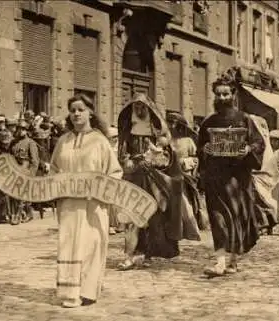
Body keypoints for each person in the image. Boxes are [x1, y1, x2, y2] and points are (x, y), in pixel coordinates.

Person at [50, 94, 120, 308]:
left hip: (94, 203)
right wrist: (56, 186)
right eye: (72, 110)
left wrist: (101, 190)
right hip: (68, 204)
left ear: (90, 112)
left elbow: (115, 171)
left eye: (81, 109)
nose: (76, 114)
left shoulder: (99, 141)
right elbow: (53, 168)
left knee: (91, 244)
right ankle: (70, 291)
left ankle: (89, 290)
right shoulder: (63, 141)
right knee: (69, 245)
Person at [117, 93, 200, 270]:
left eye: (142, 107)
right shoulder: (128, 133)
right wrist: (127, 161)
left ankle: (146, 251)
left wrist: (155, 158)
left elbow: (168, 157)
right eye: (135, 107)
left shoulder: (158, 134)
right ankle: (130, 254)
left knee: (154, 217)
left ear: (148, 109)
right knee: (132, 217)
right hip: (133, 178)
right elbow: (122, 154)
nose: (139, 110)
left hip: (154, 180)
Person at [197, 73, 265, 276]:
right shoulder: (209, 122)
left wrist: (248, 150)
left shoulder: (245, 119)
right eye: (218, 94)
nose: (222, 98)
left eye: (226, 94)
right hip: (215, 178)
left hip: (238, 180)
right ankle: (219, 262)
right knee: (217, 218)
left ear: (233, 94)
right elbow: (200, 146)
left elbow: (259, 143)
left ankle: (233, 260)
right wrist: (205, 150)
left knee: (236, 218)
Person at [167, 112, 208, 230]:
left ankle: (189, 223)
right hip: (170, 173)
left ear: (179, 125)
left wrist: (185, 163)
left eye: (172, 123)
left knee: (185, 199)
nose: (169, 125)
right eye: (168, 122)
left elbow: (196, 159)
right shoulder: (168, 141)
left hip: (184, 173)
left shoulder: (188, 141)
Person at [107, 125, 124, 235]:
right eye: (113, 136)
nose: (115, 138)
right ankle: (110, 225)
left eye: (117, 136)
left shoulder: (119, 148)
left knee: (119, 202)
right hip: (109, 176)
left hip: (120, 176)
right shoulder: (106, 148)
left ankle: (119, 224)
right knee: (109, 202)